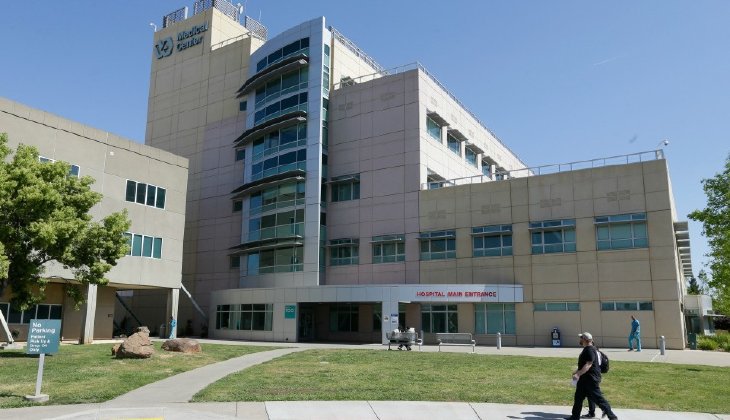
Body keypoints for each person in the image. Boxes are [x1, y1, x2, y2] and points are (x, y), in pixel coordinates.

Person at [566, 332, 618, 420]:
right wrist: (577, 372)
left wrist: (578, 374)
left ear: (585, 340)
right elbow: (585, 364)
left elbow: (589, 364)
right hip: (585, 379)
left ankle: (612, 416)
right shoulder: (589, 349)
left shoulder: (589, 350)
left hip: (590, 379)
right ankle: (575, 417)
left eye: (581, 338)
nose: (580, 340)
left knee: (598, 398)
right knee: (578, 397)